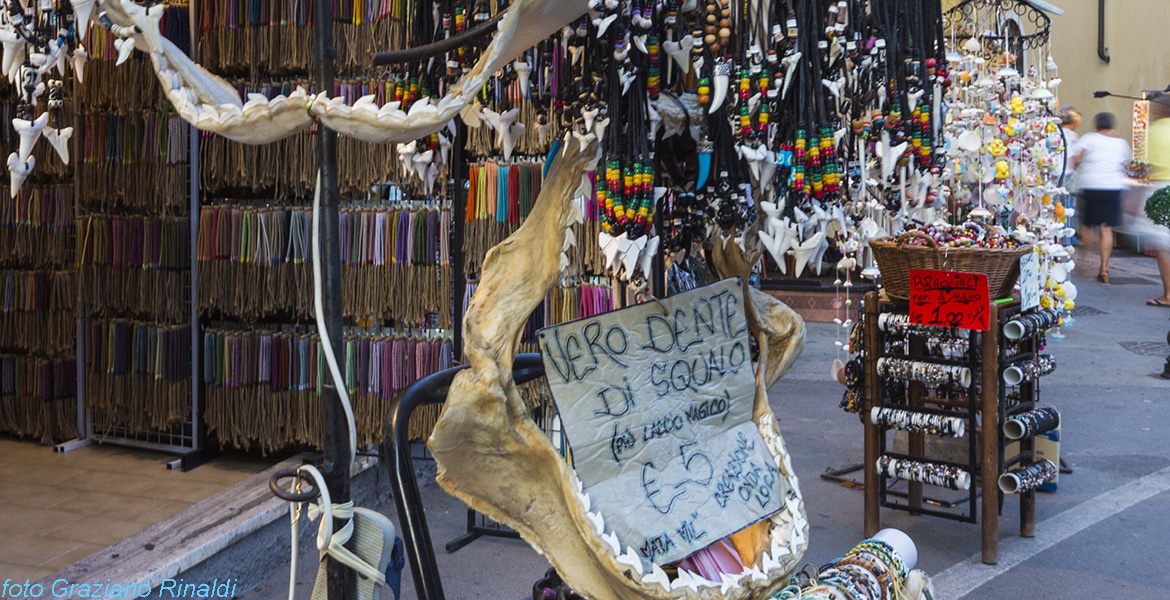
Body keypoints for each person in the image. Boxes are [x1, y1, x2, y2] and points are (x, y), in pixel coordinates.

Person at [1072, 112, 1130, 284]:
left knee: (1087, 226)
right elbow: (1126, 164)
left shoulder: (1089, 138)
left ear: (1096, 125)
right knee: (1107, 229)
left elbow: (1076, 159)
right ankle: (1103, 269)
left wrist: (1080, 164)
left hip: (1092, 185)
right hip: (1113, 186)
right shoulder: (1121, 143)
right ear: (1112, 126)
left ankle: (1084, 262)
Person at [1141, 92, 1170, 306]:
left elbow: (1148, 166)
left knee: (1164, 246)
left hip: (1162, 189)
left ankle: (1168, 295)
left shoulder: (1154, 131)